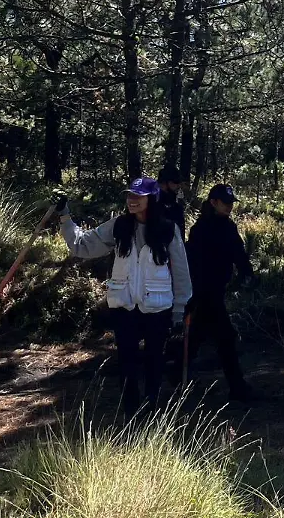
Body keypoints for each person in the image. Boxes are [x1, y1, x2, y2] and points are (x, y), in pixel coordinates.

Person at [58, 178, 192, 416]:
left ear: (152, 199)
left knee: (154, 362)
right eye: (130, 195)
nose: (132, 200)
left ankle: (151, 411)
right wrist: (64, 216)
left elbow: (181, 271)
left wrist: (180, 309)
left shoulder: (167, 229)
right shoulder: (118, 226)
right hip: (124, 307)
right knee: (127, 363)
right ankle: (130, 413)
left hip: (158, 308)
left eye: (138, 196)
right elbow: (82, 245)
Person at [184, 183, 255, 401]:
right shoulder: (200, 230)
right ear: (213, 202)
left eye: (231, 203)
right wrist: (192, 293)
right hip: (204, 293)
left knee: (197, 336)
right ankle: (237, 387)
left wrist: (247, 272)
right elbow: (192, 263)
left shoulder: (228, 227)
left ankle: (177, 373)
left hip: (216, 291)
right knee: (225, 338)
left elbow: (238, 252)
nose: (229, 206)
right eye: (225, 203)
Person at [158, 165, 187, 238]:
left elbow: (181, 237)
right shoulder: (151, 205)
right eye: (175, 182)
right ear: (163, 183)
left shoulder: (177, 208)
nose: (179, 185)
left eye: (179, 182)